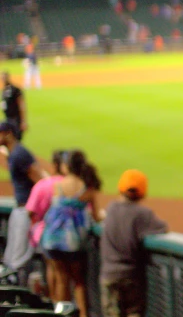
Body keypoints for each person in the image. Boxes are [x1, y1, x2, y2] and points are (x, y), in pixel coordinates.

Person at [41, 150, 102, 317]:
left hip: (52, 239)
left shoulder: (58, 186)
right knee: (79, 282)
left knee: (61, 280)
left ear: (67, 166)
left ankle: (62, 314)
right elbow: (96, 217)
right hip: (74, 242)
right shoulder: (86, 187)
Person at [100, 169, 168, 317]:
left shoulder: (111, 207)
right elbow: (162, 228)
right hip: (132, 275)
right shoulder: (142, 213)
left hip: (109, 273)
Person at [0, 120, 47, 281]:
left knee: (18, 260)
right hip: (20, 210)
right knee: (11, 258)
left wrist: (34, 211)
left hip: (27, 212)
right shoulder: (13, 154)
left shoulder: (20, 154)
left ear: (8, 134)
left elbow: (39, 182)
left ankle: (16, 296)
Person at [25, 149, 68, 297]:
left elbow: (30, 211)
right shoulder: (71, 186)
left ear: (55, 165)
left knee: (52, 269)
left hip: (44, 234)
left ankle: (53, 303)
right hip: (68, 236)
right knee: (65, 276)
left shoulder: (42, 185)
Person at [2, 71, 27, 140]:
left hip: (16, 119)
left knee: (16, 139)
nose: (3, 79)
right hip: (8, 119)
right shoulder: (4, 90)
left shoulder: (15, 90)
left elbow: (21, 104)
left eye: (4, 78)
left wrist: (23, 121)